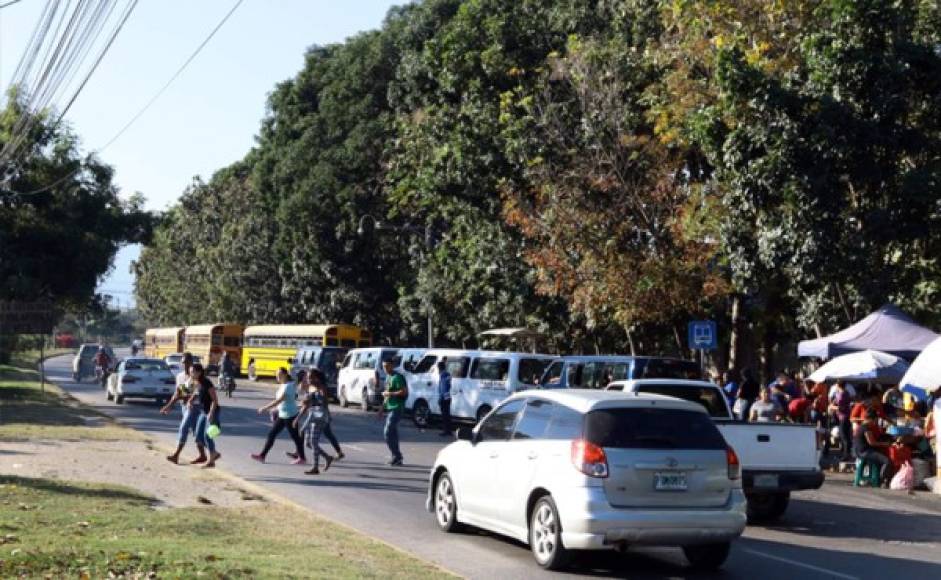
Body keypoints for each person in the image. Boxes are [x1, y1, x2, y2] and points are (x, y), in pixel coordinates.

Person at [252, 368, 306, 464]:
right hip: (283, 415)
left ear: (285, 375)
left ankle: (302, 458)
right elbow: (283, 402)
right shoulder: (284, 385)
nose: (278, 377)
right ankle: (262, 456)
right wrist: (276, 409)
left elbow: (279, 400)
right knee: (272, 434)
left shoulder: (288, 386)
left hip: (291, 415)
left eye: (280, 375)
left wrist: (265, 408)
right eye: (277, 375)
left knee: (295, 437)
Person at [160, 353, 205, 464]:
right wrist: (169, 405)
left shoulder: (194, 376)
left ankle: (176, 455)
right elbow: (177, 393)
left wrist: (180, 398)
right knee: (196, 432)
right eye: (184, 363)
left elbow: (192, 394)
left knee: (184, 428)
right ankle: (204, 455)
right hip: (184, 406)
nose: (185, 365)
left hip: (194, 406)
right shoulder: (180, 376)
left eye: (188, 363)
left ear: (191, 363)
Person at [295, 368, 334, 475]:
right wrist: (297, 418)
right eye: (307, 377)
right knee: (308, 443)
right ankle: (327, 457)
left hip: (320, 417)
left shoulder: (321, 388)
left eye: (310, 377)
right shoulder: (310, 388)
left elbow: (324, 403)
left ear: (316, 378)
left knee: (313, 442)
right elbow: (306, 405)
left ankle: (315, 467)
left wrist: (327, 416)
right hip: (312, 416)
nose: (308, 379)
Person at [190, 363, 222, 468]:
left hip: (212, 412)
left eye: (192, 372)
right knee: (198, 436)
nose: (191, 373)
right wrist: (190, 400)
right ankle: (214, 454)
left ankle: (211, 460)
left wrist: (211, 413)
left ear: (199, 372)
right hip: (203, 412)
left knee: (208, 435)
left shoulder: (207, 382)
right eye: (190, 371)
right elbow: (197, 392)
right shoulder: (197, 382)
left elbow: (214, 400)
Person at [854, 409, 893, 486]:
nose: (875, 422)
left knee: (881, 456)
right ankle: (882, 480)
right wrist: (885, 444)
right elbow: (872, 443)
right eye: (875, 420)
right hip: (864, 452)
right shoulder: (865, 428)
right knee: (887, 461)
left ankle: (878, 478)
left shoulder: (862, 427)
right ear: (872, 419)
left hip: (862, 451)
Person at [380, 359, 408, 465]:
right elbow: (387, 393)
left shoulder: (397, 377)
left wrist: (390, 394)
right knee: (393, 433)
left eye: (387, 366)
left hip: (398, 407)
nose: (385, 368)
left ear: (392, 366)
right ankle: (396, 457)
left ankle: (396, 455)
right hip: (391, 407)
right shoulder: (388, 377)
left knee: (387, 431)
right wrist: (382, 408)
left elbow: (404, 392)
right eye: (383, 366)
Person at [829, 380, 854, 460]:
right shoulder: (845, 393)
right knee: (846, 436)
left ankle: (846, 455)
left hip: (843, 417)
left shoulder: (842, 395)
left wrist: (832, 407)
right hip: (845, 417)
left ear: (838, 385)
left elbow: (841, 407)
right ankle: (846, 453)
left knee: (844, 437)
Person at [437, 359, 452, 436]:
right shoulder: (448, 374)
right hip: (448, 396)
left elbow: (443, 387)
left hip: (444, 398)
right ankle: (449, 431)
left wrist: (440, 398)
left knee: (444, 415)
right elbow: (448, 386)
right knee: (448, 414)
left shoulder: (442, 375)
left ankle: (446, 431)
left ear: (439, 368)